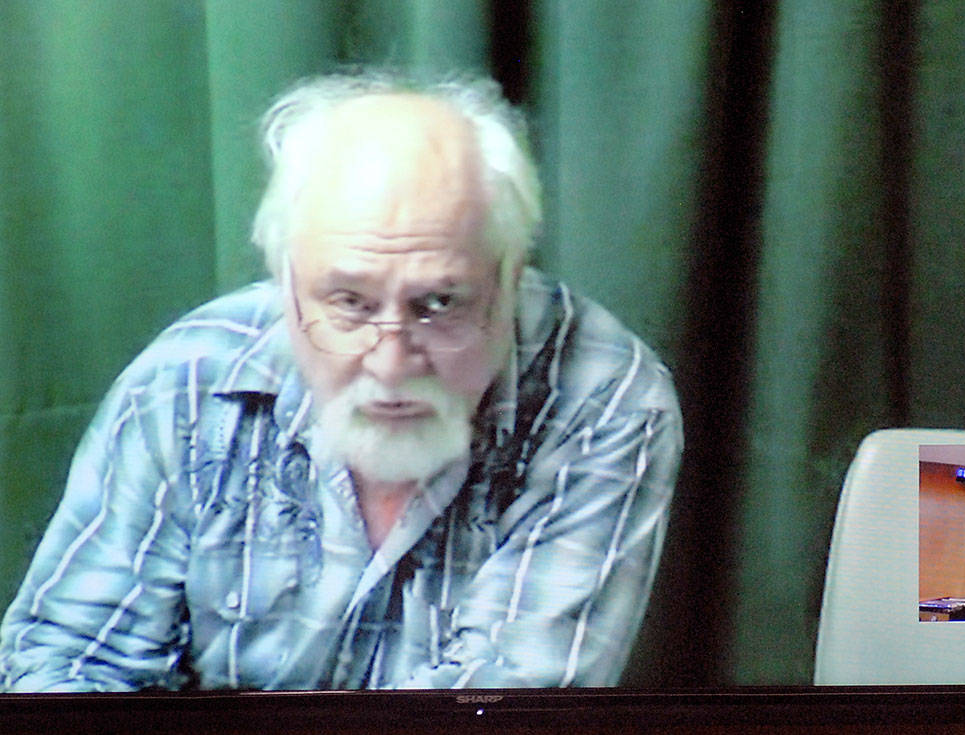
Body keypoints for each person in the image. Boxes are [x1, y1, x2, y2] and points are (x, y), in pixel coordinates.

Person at [0, 72, 682, 691]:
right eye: (350, 303)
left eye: (439, 304)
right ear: (285, 281)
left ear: (511, 276)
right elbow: (65, 661)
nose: (390, 364)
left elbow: (500, 708)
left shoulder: (603, 400)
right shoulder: (186, 383)